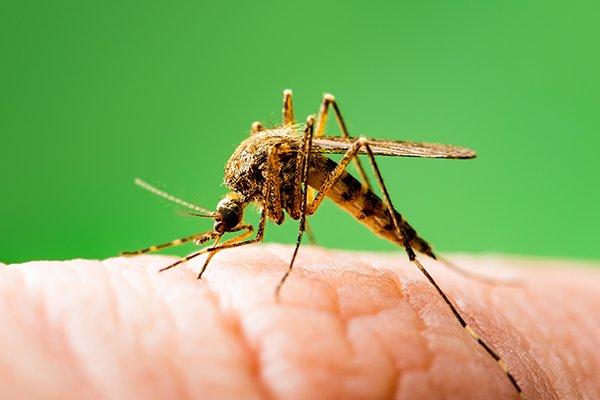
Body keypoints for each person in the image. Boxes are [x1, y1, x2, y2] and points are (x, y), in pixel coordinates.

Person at [1, 244, 599, 399]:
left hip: (330, 168)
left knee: (338, 134)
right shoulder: (250, 183)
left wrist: (291, 260)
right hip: (293, 169)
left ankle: (473, 330)